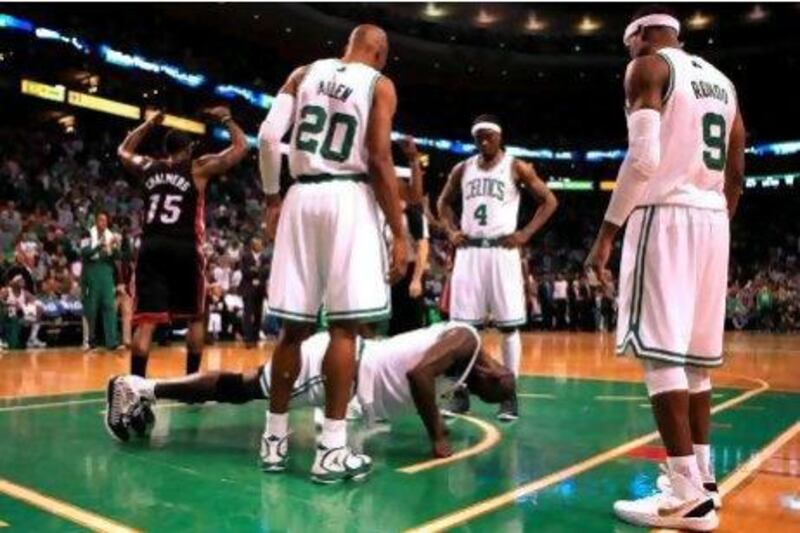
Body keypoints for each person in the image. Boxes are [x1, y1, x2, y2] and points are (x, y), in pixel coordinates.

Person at [585, 6, 745, 531]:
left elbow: (644, 159)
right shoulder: (722, 82)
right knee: (695, 363)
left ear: (640, 36)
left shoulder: (648, 67)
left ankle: (685, 495)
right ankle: (703, 478)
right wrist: (715, 220)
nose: (628, 56)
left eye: (628, 45)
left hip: (666, 215)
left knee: (659, 355)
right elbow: (738, 171)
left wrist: (607, 233)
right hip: (712, 217)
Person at [258, 24, 408, 483]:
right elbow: (380, 157)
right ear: (380, 54)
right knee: (345, 330)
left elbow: (267, 138)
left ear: (348, 45)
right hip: (348, 197)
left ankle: (274, 441)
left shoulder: (302, 74)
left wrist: (271, 198)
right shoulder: (379, 84)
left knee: (293, 329)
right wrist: (399, 232)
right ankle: (331, 450)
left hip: (301, 197)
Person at [104, 322, 515, 463]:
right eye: (483, 392)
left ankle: (146, 390)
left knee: (246, 387)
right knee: (245, 387)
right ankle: (140, 387)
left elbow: (436, 378)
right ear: (491, 374)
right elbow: (418, 374)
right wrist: (438, 435)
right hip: (336, 370)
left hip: (347, 370)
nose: (472, 396)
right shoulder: (464, 340)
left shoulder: (468, 359)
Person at [437, 114, 558, 420]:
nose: (484, 140)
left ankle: (509, 394)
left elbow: (549, 201)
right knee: (462, 329)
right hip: (470, 252)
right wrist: (451, 231)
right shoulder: (462, 168)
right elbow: (442, 203)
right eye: (479, 136)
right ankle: (459, 391)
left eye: (489, 135)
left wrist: (526, 234)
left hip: (502, 250)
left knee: (508, 327)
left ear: (500, 137)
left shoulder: (516, 166)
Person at [116, 107, 248, 378]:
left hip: (151, 246)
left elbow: (123, 151)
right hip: (185, 246)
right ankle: (191, 381)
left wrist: (148, 124)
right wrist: (226, 118)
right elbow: (240, 147)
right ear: (188, 150)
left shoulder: (148, 166)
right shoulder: (197, 168)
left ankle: (136, 385)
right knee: (196, 316)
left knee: (147, 322)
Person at [80, 212, 120, 350]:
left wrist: (115, 247)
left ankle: (112, 341)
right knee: (91, 308)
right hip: (91, 272)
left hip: (106, 272)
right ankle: (90, 340)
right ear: (96, 221)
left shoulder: (111, 235)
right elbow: (84, 252)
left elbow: (117, 257)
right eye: (101, 220)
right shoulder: (87, 234)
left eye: (106, 220)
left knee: (109, 306)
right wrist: (99, 245)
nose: (104, 223)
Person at [240, 237, 269, 348]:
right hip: (248, 288)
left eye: (261, 244)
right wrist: (258, 271)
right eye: (258, 244)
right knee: (248, 314)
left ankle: (255, 337)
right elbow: (245, 272)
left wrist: (256, 270)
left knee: (258, 314)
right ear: (253, 245)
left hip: (260, 289)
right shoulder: (246, 256)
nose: (261, 246)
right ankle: (248, 338)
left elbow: (267, 271)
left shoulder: (265, 257)